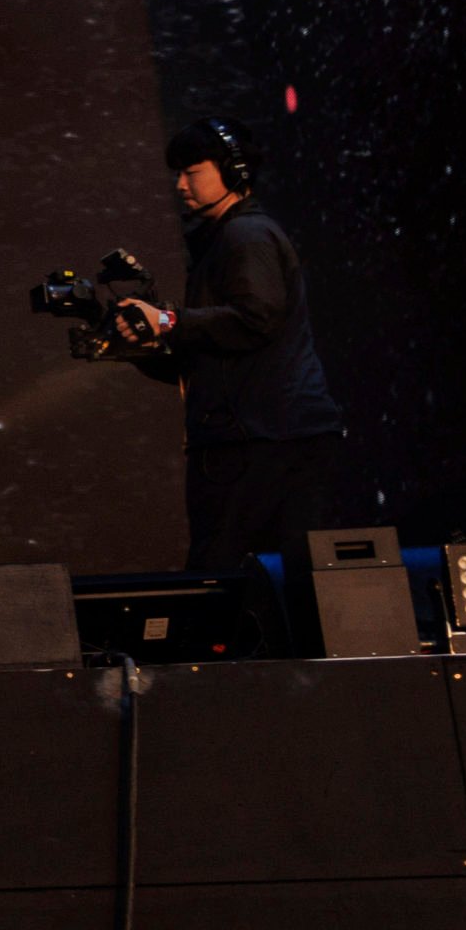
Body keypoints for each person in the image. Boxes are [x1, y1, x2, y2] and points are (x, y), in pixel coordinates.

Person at [111, 118, 347, 590]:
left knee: (217, 578)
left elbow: (255, 319)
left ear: (233, 171)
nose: (180, 185)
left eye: (191, 171)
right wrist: (141, 344)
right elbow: (212, 355)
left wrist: (170, 321)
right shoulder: (228, 241)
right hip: (271, 434)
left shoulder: (245, 237)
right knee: (288, 583)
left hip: (257, 439)